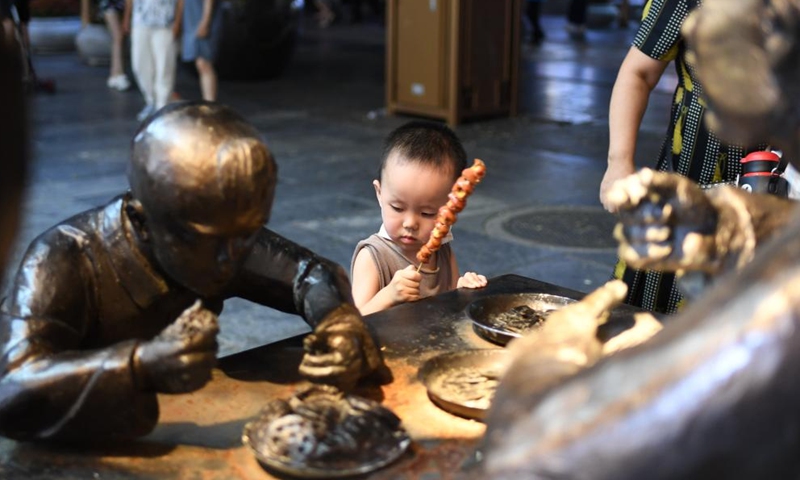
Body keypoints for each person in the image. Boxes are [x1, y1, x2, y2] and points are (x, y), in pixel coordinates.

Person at [0, 102, 384, 442]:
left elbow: (308, 273)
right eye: (208, 242)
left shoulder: (221, 236)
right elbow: (11, 389)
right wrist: (140, 365)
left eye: (248, 233)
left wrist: (340, 326)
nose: (231, 260)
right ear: (141, 221)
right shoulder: (62, 259)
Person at [599, 0, 765, 314]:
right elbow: (639, 73)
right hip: (696, 171)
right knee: (660, 316)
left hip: (785, 179)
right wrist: (619, 162)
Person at [351, 121, 487, 316]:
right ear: (379, 194)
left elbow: (451, 312)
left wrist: (463, 291)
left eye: (427, 213)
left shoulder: (443, 251)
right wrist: (388, 296)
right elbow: (354, 324)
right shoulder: (373, 257)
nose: (410, 223)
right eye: (397, 208)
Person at [123, 0, 180, 121]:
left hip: (165, 22)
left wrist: (178, 22)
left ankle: (162, 105)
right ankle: (151, 100)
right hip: (140, 21)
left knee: (164, 65)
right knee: (139, 65)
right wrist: (127, 17)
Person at [176, 0, 221, 101]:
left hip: (202, 19)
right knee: (200, 64)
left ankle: (210, 103)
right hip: (192, 19)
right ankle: (208, 102)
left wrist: (205, 21)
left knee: (203, 62)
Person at [99, 0, 131, 91]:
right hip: (110, 4)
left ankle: (115, 73)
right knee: (118, 35)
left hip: (122, 5)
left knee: (119, 37)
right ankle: (118, 73)